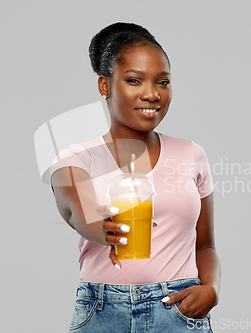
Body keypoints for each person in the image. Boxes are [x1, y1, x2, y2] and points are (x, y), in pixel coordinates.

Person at [50, 22, 221, 332]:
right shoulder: (77, 158)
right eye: (134, 80)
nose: (152, 94)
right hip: (103, 313)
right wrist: (102, 228)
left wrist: (211, 288)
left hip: (178, 311)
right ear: (104, 86)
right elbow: (75, 209)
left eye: (163, 82)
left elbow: (205, 246)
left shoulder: (192, 154)